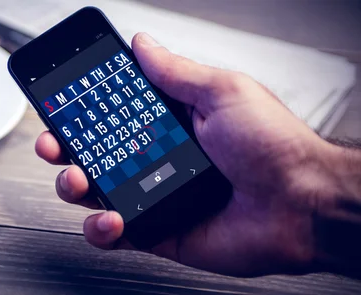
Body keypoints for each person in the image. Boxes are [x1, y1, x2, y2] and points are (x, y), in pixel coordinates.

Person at [34, 33, 361, 278]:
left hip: (209, 197)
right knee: (78, 180)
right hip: (211, 192)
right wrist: (313, 200)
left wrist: (311, 195)